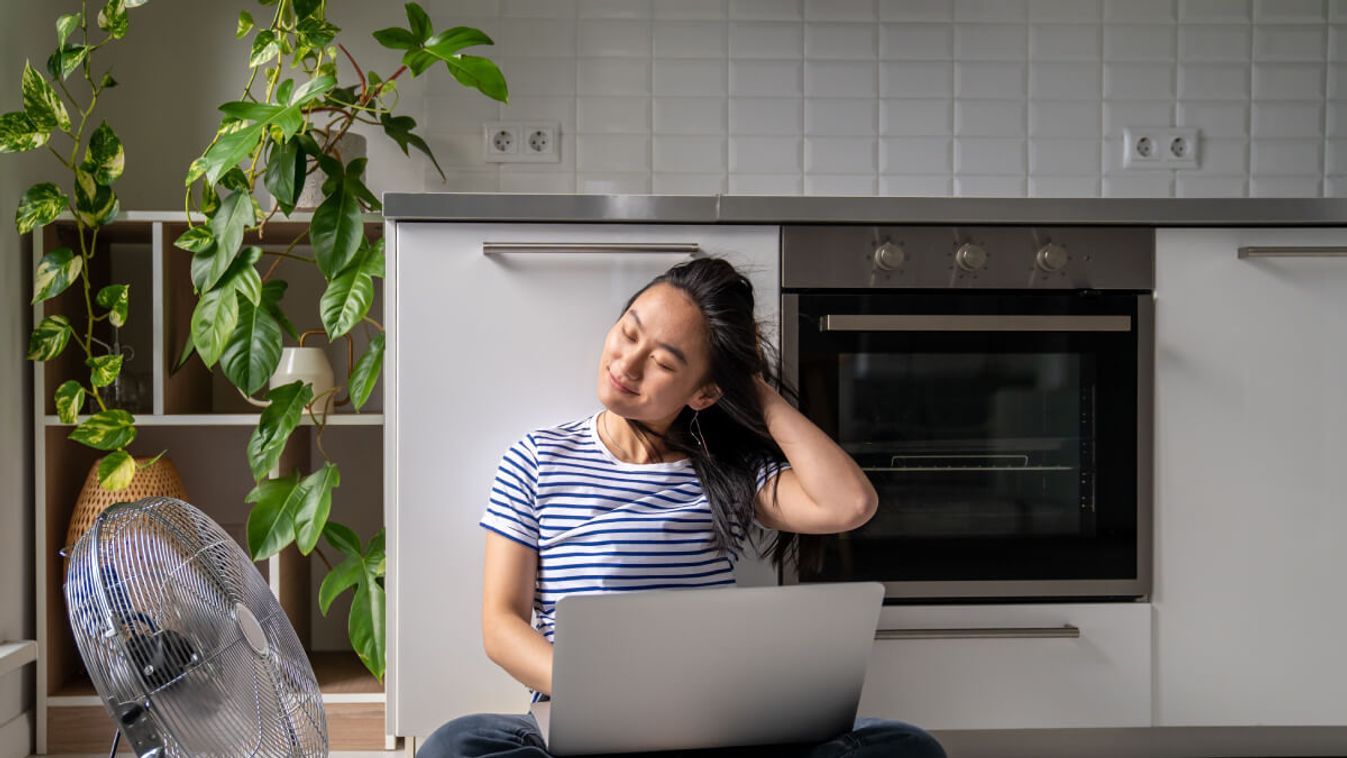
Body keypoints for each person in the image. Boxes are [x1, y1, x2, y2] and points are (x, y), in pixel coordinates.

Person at [419, 258, 946, 758]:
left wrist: (752, 389)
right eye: (628, 332)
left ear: (703, 392)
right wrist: (603, 695)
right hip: (585, 725)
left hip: (716, 725)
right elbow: (501, 624)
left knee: (905, 746)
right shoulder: (536, 459)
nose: (626, 362)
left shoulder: (731, 470)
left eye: (664, 362)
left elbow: (849, 504)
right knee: (456, 746)